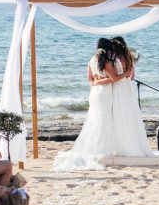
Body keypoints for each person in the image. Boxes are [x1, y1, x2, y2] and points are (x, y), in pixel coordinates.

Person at [53, 38, 125, 171]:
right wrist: (125, 74)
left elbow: (90, 81)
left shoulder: (92, 60)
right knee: (104, 119)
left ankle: (96, 146)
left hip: (95, 93)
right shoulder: (107, 62)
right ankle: (103, 148)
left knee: (95, 119)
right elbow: (114, 79)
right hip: (105, 93)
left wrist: (99, 80)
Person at [111, 36, 153, 157]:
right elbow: (132, 77)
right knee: (129, 115)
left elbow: (114, 77)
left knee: (118, 115)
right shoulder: (130, 58)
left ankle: (120, 145)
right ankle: (132, 143)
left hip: (118, 88)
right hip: (128, 89)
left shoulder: (115, 59)